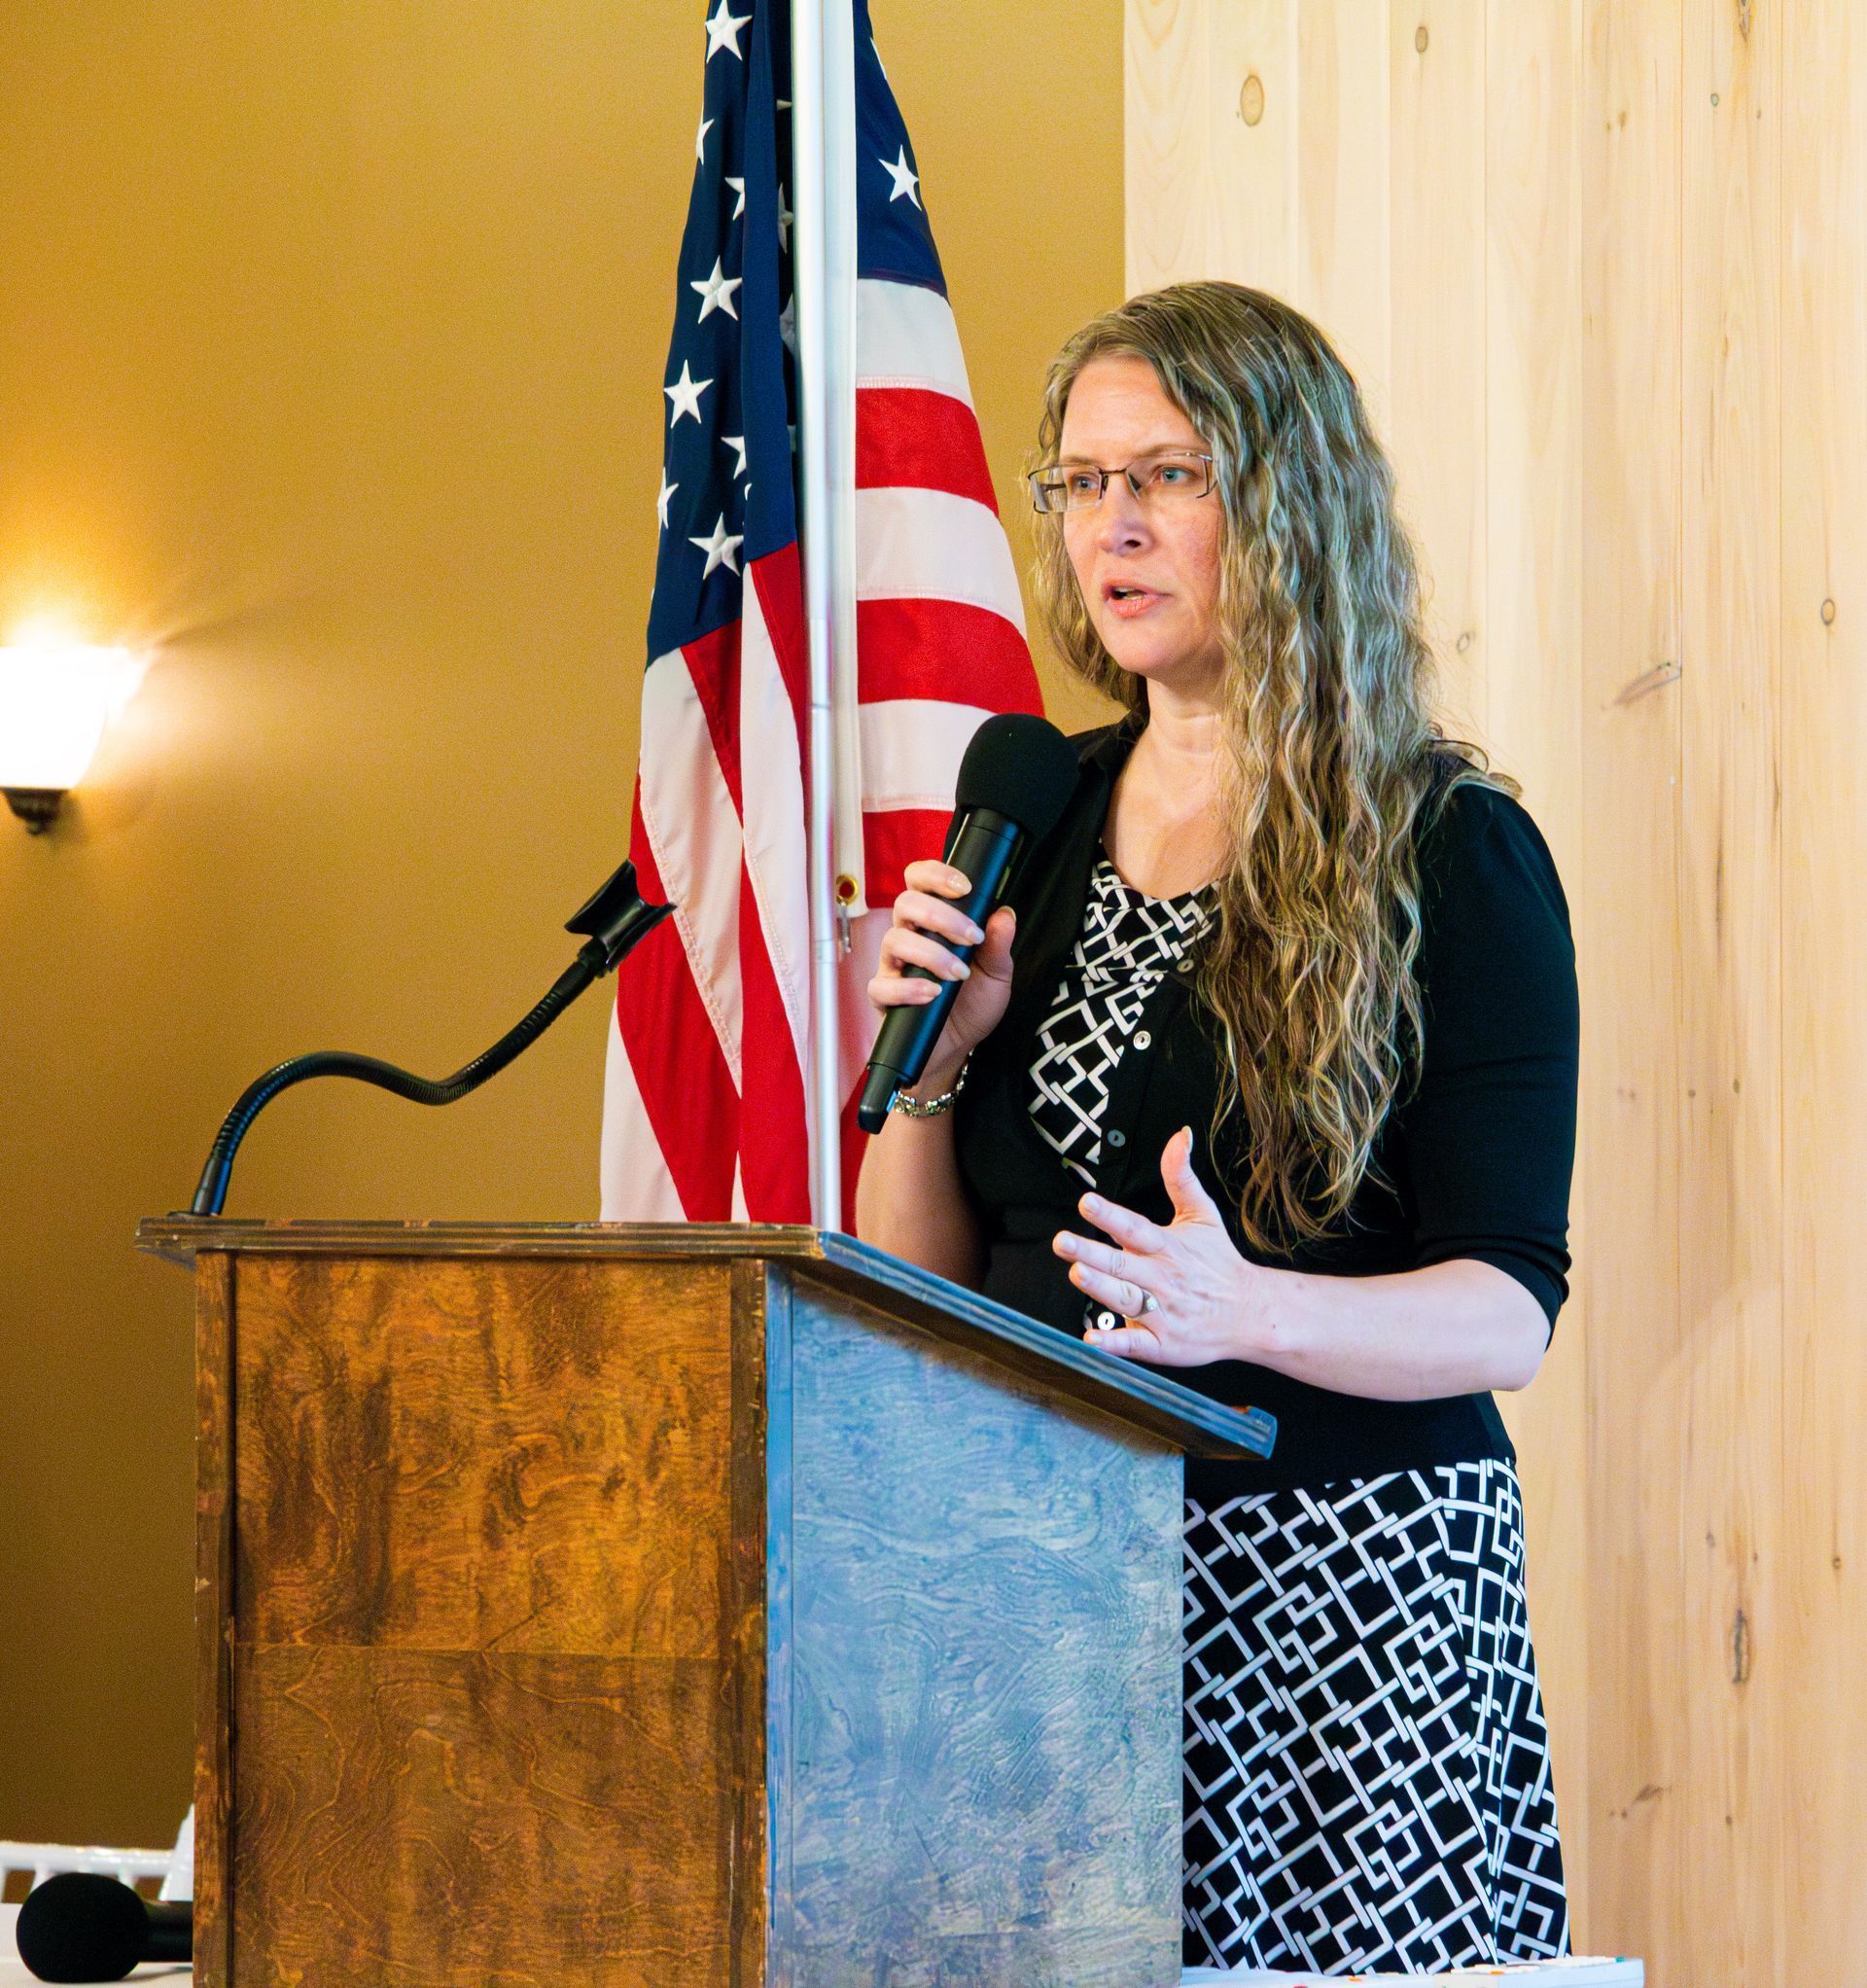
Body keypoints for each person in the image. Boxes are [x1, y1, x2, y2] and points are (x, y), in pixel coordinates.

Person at [854, 280, 1577, 1975]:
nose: (1114, 525)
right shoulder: (1032, 817)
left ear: (1291, 501)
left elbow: (1507, 1308)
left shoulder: (1446, 850)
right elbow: (923, 1279)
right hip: (1040, 1588)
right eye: (1082, 483)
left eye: (1167, 475)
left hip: (1339, 1612)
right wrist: (939, 1064)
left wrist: (1254, 1310)